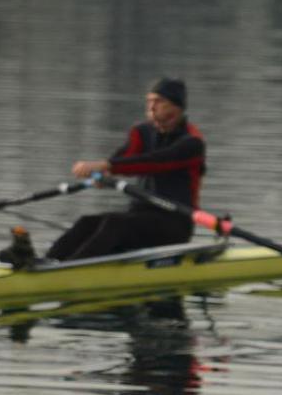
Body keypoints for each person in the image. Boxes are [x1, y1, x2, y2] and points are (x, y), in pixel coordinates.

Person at [44, 77, 207, 262]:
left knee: (115, 224)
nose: (151, 107)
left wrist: (105, 165)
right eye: (149, 101)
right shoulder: (142, 132)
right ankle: (46, 262)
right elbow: (125, 158)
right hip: (140, 215)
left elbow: (153, 162)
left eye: (159, 101)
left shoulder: (192, 143)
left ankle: (69, 271)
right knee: (87, 222)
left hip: (174, 223)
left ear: (177, 107)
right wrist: (105, 173)